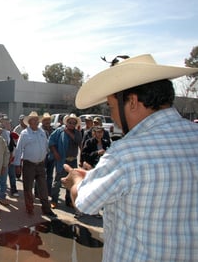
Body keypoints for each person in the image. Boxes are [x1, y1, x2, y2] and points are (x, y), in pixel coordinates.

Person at [61, 54, 198, 261]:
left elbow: (84, 201)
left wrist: (77, 179)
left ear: (132, 102)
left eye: (112, 107)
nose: (113, 117)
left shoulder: (126, 153)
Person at [14, 111, 56, 217]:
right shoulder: (24, 133)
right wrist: (17, 165)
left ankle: (46, 209)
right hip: (29, 164)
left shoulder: (42, 132)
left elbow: (46, 146)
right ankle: (29, 208)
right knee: (28, 188)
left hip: (41, 164)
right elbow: (19, 150)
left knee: (43, 187)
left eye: (37, 120)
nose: (36, 122)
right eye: (34, 120)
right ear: (29, 122)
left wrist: (44, 156)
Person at [49, 113, 82, 209]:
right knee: (58, 181)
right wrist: (55, 152)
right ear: (66, 122)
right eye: (70, 122)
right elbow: (51, 142)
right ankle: (54, 200)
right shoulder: (59, 131)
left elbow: (78, 141)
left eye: (73, 122)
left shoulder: (77, 133)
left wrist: (69, 133)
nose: (72, 124)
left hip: (73, 161)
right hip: (62, 160)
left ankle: (69, 201)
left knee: (71, 182)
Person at [39, 113, 55, 194]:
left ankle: (48, 191)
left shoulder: (53, 130)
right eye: (45, 120)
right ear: (42, 121)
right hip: (42, 155)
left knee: (50, 175)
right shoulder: (39, 131)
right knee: (41, 175)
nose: (47, 122)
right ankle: (38, 192)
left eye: (48, 120)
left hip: (51, 155)